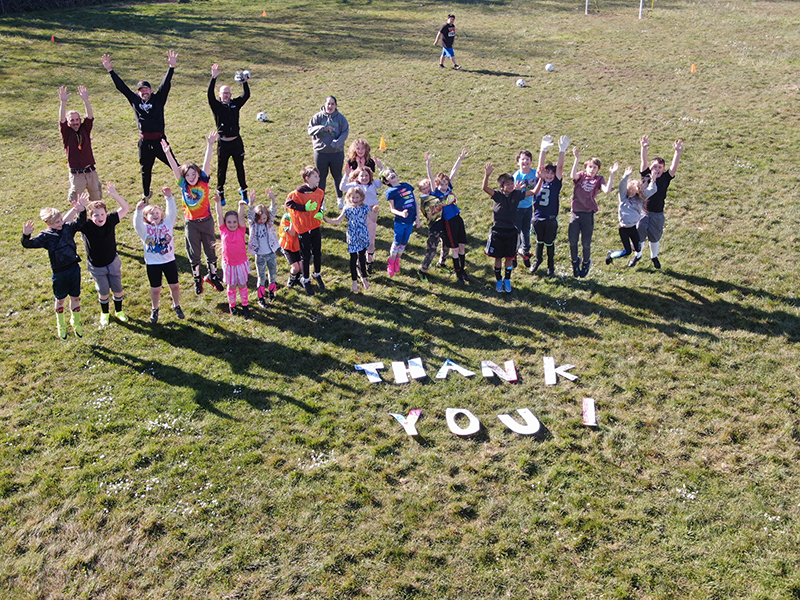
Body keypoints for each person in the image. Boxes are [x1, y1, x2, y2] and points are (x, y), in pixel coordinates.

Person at [101, 51, 178, 203]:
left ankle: (187, 184)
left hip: (160, 141)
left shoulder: (158, 99)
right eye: (141, 91)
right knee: (145, 170)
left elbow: (166, 84)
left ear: (151, 90)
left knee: (174, 164)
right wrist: (110, 71)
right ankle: (146, 194)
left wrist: (171, 67)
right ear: (138, 92)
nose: (144, 92)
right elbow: (121, 87)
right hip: (145, 142)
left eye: (146, 90)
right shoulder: (135, 100)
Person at [162, 132, 225, 295]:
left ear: (198, 174)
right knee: (194, 253)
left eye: (193, 174)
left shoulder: (204, 180)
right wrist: (168, 153)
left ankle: (213, 275)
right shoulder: (183, 185)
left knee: (211, 250)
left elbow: (207, 162)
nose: (191, 177)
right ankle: (197, 280)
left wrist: (210, 145)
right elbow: (175, 169)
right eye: (188, 175)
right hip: (191, 223)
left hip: (207, 221)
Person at [22, 198, 85, 339]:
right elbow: (28, 244)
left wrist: (81, 211)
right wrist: (26, 235)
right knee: (60, 299)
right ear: (48, 223)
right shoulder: (46, 236)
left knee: (75, 297)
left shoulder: (67, 228)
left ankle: (76, 321)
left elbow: (80, 222)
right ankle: (61, 324)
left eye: (61, 219)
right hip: (59, 272)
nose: (61, 223)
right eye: (57, 222)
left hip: (74, 268)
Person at [75, 183, 130, 327]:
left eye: (102, 214)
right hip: (96, 266)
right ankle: (105, 313)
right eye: (96, 215)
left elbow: (126, 208)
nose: (100, 217)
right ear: (90, 216)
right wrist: (78, 208)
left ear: (106, 213)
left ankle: (119, 311)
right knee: (104, 292)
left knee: (118, 290)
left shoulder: (111, 220)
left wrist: (114, 195)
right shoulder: (86, 226)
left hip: (113, 262)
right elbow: (65, 222)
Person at [132, 187, 184, 323]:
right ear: (146, 217)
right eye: (151, 214)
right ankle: (155, 308)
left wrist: (169, 198)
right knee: (156, 288)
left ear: (161, 214)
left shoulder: (167, 223)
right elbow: (136, 224)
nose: (155, 215)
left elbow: (172, 213)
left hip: (169, 261)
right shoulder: (144, 229)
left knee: (175, 286)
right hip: (153, 263)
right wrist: (138, 211)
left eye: (157, 212)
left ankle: (176, 305)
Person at [482, 163, 534, 294]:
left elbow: (533, 192)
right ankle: (499, 280)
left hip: (511, 232)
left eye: (512, 183)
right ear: (501, 187)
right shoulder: (498, 196)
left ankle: (507, 279)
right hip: (498, 232)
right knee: (498, 258)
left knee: (509, 257)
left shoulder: (516, 195)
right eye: (508, 184)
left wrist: (541, 180)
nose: (511, 186)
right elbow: (484, 188)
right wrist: (487, 175)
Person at [633, 136, 684, 269]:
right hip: (643, 212)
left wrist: (677, 152)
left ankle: (654, 256)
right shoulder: (645, 175)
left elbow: (674, 167)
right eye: (655, 166)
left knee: (655, 237)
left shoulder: (666, 178)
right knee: (640, 235)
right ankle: (637, 255)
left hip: (657, 214)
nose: (657, 169)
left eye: (660, 167)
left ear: (663, 169)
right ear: (650, 168)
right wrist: (643, 147)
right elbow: (643, 161)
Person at [569, 147, 618, 278]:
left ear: (598, 170)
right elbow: (572, 176)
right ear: (586, 167)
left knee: (586, 243)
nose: (592, 169)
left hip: (588, 214)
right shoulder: (581, 176)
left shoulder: (599, 179)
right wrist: (576, 159)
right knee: (573, 241)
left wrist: (612, 174)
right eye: (590, 167)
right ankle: (575, 262)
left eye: (595, 167)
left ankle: (586, 262)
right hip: (575, 213)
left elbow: (607, 190)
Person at [208, 63, 250, 206]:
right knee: (222, 169)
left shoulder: (234, 104)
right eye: (224, 93)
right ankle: (220, 191)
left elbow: (246, 95)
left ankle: (243, 190)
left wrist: (244, 82)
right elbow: (209, 96)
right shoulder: (217, 106)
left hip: (236, 142)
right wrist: (213, 78)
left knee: (240, 167)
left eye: (228, 93)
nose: (226, 95)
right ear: (219, 95)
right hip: (223, 143)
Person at [425, 149, 469, 284]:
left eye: (446, 184)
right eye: (442, 184)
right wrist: (428, 164)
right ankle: (458, 273)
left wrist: (460, 158)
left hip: (457, 218)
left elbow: (453, 172)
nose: (444, 186)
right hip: (448, 222)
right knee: (455, 247)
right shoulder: (436, 193)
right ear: (437, 185)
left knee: (462, 246)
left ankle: (462, 269)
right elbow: (431, 178)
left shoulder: (449, 188)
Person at [530, 135, 569, 276]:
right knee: (539, 241)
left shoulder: (555, 184)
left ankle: (550, 266)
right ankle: (537, 260)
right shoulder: (538, 181)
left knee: (549, 243)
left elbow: (560, 167)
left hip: (551, 218)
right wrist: (543, 149)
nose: (549, 175)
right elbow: (540, 167)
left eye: (552, 173)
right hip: (538, 217)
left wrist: (562, 150)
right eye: (547, 172)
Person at [285, 166, 326, 296]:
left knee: (317, 252)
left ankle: (317, 274)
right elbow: (289, 204)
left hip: (315, 226)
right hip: (303, 228)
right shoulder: (297, 193)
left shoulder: (320, 192)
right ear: (307, 178)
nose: (318, 179)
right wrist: (304, 208)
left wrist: (320, 212)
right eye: (315, 176)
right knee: (306, 255)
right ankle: (306, 279)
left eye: (318, 176)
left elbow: (320, 205)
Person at [58, 85, 102, 204]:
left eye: (77, 119)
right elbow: (61, 120)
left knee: (97, 202)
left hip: (91, 171)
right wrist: (63, 102)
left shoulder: (85, 129)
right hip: (77, 174)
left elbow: (90, 116)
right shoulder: (66, 132)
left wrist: (86, 100)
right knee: (76, 204)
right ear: (68, 122)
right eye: (72, 120)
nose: (75, 122)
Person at [324, 187, 371, 293]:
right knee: (353, 258)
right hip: (352, 236)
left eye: (357, 197)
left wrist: (375, 210)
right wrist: (326, 220)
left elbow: (373, 218)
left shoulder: (365, 208)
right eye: (352, 197)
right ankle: (354, 280)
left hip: (363, 235)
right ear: (349, 197)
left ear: (361, 198)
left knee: (362, 257)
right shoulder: (347, 208)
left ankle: (364, 277)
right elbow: (338, 221)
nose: (354, 199)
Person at [307, 96, 349, 209]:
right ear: (324, 104)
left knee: (337, 176)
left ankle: (340, 200)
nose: (330, 106)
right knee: (320, 178)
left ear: (336, 105)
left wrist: (337, 143)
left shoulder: (341, 119)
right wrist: (321, 128)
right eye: (328, 104)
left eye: (332, 104)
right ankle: (321, 202)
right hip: (321, 153)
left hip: (337, 152)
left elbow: (345, 132)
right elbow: (310, 130)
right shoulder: (317, 117)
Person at [605, 166, 651, 267]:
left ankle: (633, 249)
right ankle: (611, 254)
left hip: (633, 228)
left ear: (637, 191)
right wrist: (626, 176)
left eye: (633, 191)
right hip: (624, 229)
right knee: (627, 252)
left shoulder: (639, 200)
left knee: (638, 248)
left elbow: (651, 191)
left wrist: (654, 181)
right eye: (629, 190)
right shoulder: (623, 199)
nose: (631, 193)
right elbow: (622, 185)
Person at [340, 164, 382, 274]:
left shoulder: (373, 184)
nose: (364, 177)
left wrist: (381, 167)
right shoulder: (354, 185)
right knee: (361, 239)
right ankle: (360, 262)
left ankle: (369, 260)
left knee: (371, 240)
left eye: (366, 175)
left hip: (371, 212)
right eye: (361, 175)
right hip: (359, 214)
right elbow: (342, 188)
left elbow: (384, 179)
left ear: (370, 176)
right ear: (357, 177)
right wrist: (346, 175)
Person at [215, 194, 250, 318]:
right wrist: (218, 203)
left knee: (242, 285)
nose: (232, 224)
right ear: (225, 223)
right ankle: (232, 306)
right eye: (229, 222)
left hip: (241, 263)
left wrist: (241, 206)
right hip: (229, 264)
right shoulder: (223, 230)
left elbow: (241, 216)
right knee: (231, 286)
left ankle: (245, 305)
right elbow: (219, 215)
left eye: (234, 222)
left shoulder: (241, 230)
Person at [381, 167, 420, 277]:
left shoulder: (407, 186)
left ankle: (397, 260)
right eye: (388, 175)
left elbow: (415, 202)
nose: (391, 174)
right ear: (387, 181)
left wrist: (417, 217)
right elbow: (392, 209)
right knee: (397, 242)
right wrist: (401, 213)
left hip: (410, 220)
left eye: (392, 172)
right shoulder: (390, 192)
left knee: (404, 242)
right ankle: (391, 262)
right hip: (400, 221)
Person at [247, 189, 281, 307]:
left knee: (273, 275)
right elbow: (250, 216)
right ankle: (260, 298)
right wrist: (251, 204)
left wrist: (273, 199)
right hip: (260, 255)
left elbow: (273, 211)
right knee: (261, 277)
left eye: (264, 219)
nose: (262, 221)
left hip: (271, 253)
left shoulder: (269, 223)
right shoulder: (253, 224)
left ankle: (272, 292)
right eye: (259, 219)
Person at [417, 177, 448, 281]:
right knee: (432, 251)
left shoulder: (432, 195)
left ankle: (441, 263)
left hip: (443, 224)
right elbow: (440, 203)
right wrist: (449, 198)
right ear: (420, 191)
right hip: (434, 228)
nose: (427, 190)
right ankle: (422, 271)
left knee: (446, 245)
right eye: (423, 188)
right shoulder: (425, 199)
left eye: (428, 187)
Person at [512, 149, 538, 269]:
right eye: (522, 159)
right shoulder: (516, 176)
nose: (525, 161)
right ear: (518, 162)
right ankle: (513, 254)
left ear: (531, 161)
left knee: (526, 231)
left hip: (528, 207)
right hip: (517, 209)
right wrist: (516, 190)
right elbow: (511, 193)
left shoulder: (534, 173)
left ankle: (525, 252)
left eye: (527, 159)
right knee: (516, 232)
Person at [278, 211, 302, 290]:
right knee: (295, 268)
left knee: (302, 267)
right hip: (288, 246)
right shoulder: (286, 219)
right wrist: (293, 220)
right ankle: (292, 279)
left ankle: (299, 279)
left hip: (298, 246)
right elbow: (291, 232)